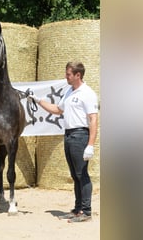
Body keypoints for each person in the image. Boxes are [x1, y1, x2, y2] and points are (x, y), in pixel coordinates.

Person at [29, 61, 98, 222]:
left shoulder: (87, 93)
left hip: (80, 135)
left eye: (68, 74)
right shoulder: (69, 91)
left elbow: (93, 119)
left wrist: (90, 145)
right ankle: (78, 209)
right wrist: (39, 101)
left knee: (82, 174)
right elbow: (58, 110)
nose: (66, 77)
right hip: (68, 135)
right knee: (75, 175)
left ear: (77, 75)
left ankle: (86, 211)